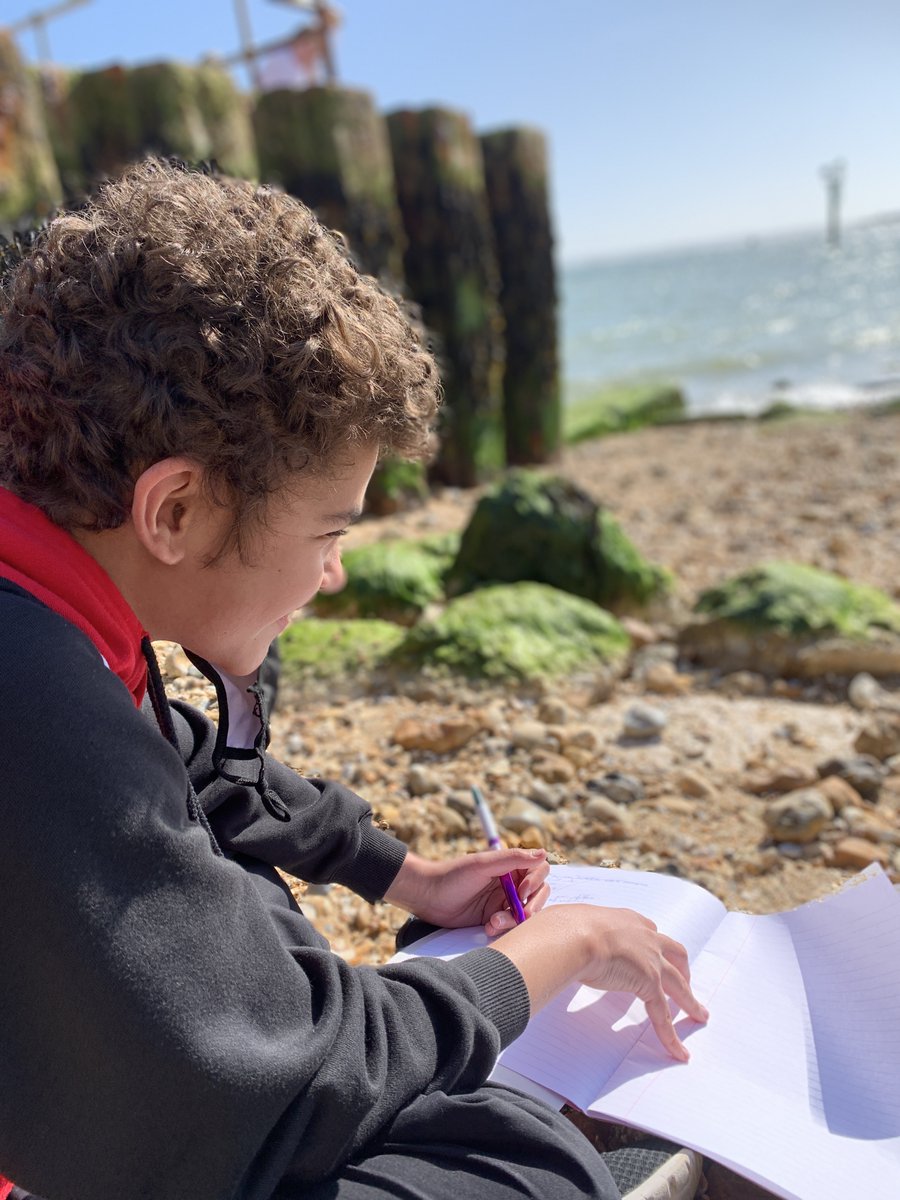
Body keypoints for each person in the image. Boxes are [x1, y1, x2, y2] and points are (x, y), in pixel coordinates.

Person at [0, 160, 707, 1200]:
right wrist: (561, 947)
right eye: (330, 534)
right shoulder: (30, 698)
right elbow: (286, 1078)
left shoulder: (47, 612)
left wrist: (405, 875)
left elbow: (182, 758)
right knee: (519, 1167)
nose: (334, 574)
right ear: (175, 511)